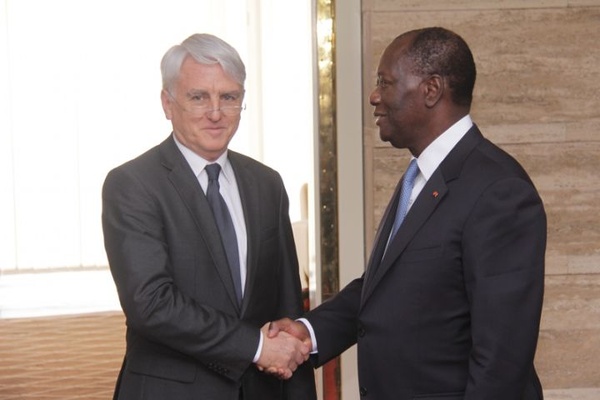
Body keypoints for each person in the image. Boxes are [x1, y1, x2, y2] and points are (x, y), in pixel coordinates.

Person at [269, 27, 546, 399]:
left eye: (385, 82)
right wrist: (310, 331)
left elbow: (502, 361)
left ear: (431, 90)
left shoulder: (499, 191)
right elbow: (386, 289)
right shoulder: (420, 176)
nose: (374, 96)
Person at [102, 33, 316, 400]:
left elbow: (287, 305)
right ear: (167, 103)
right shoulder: (133, 184)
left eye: (229, 97)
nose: (215, 113)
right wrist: (255, 347)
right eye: (198, 97)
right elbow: (151, 303)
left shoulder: (266, 183)